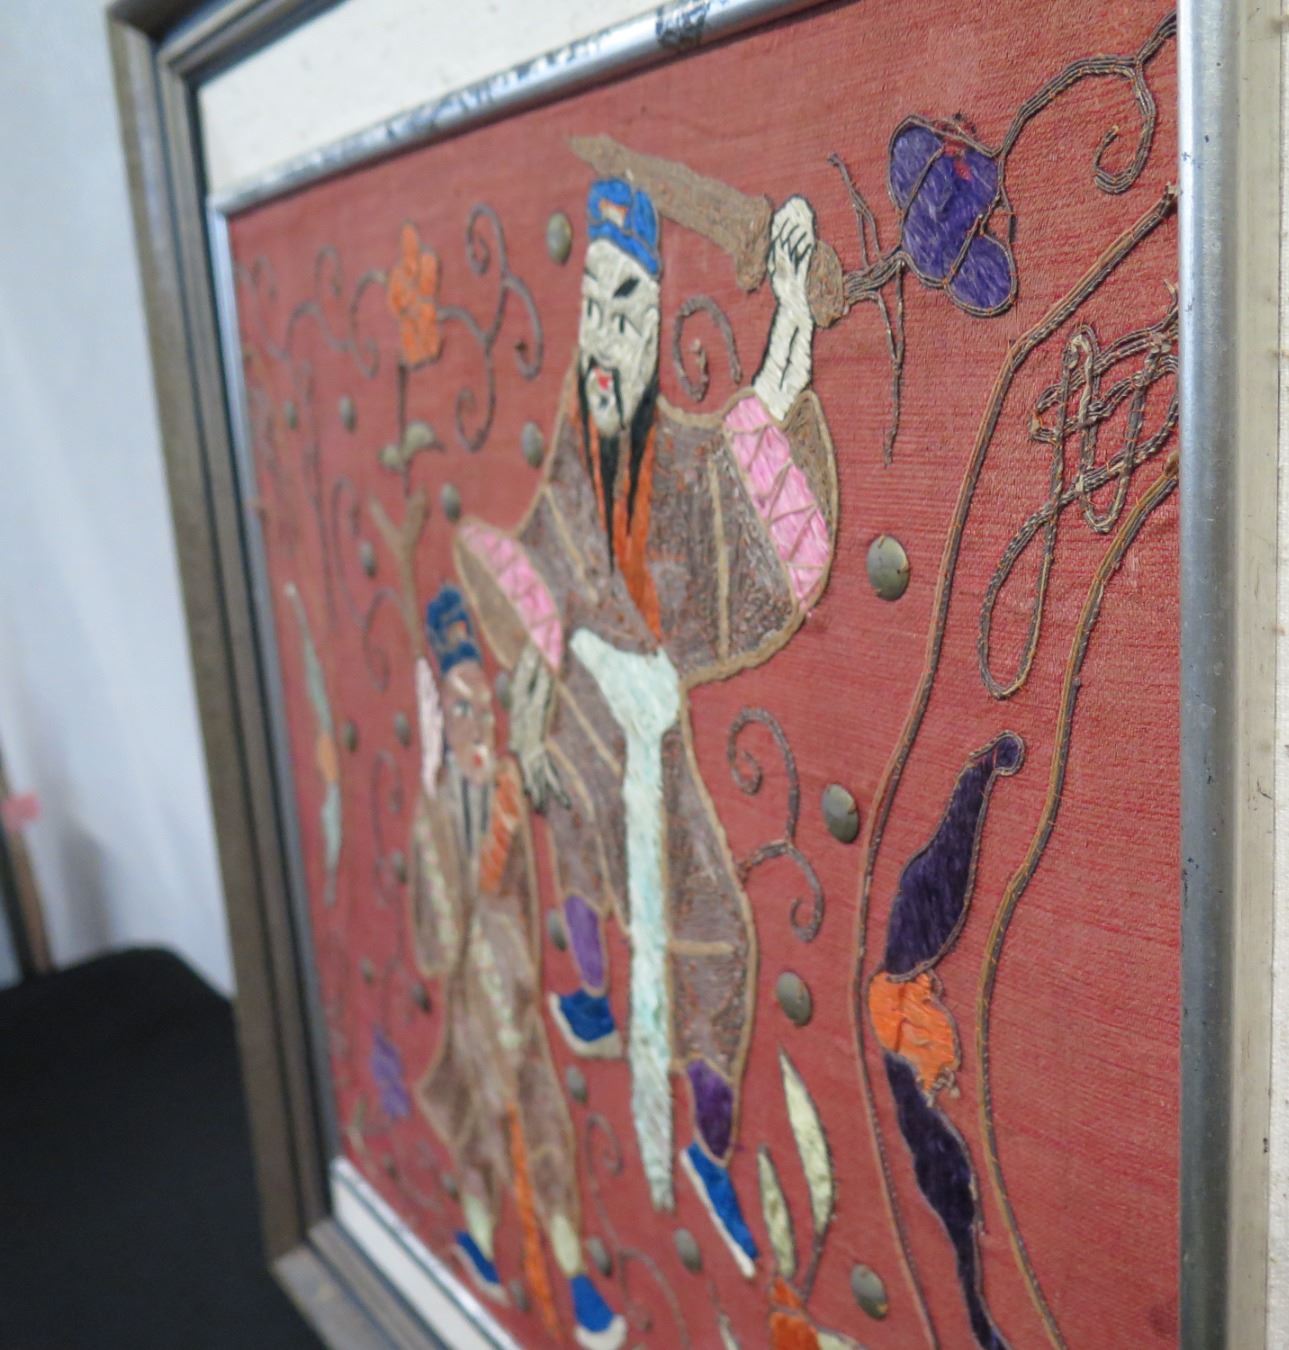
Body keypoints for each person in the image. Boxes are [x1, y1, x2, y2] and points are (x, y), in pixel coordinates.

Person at [454, 169, 835, 1280]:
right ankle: (587, 989)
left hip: (649, 732)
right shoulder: (574, 440)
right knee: (569, 823)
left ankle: (709, 1152)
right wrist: (535, 706)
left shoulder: (672, 454)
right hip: (580, 708)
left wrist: (795, 309)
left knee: (718, 945)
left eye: (628, 312)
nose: (607, 336)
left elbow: (751, 433)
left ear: (655, 322)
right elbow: (536, 566)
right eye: (594, 309)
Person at [409, 585, 624, 1349]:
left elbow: (529, 905)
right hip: (473, 1018)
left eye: (483, 709)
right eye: (460, 712)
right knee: (481, 1142)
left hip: (517, 1009)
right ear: (443, 721)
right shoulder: (437, 813)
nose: (477, 727)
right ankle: (481, 1243)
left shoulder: (505, 789)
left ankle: (575, 1282)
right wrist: (437, 838)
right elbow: (431, 943)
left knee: (544, 1140)